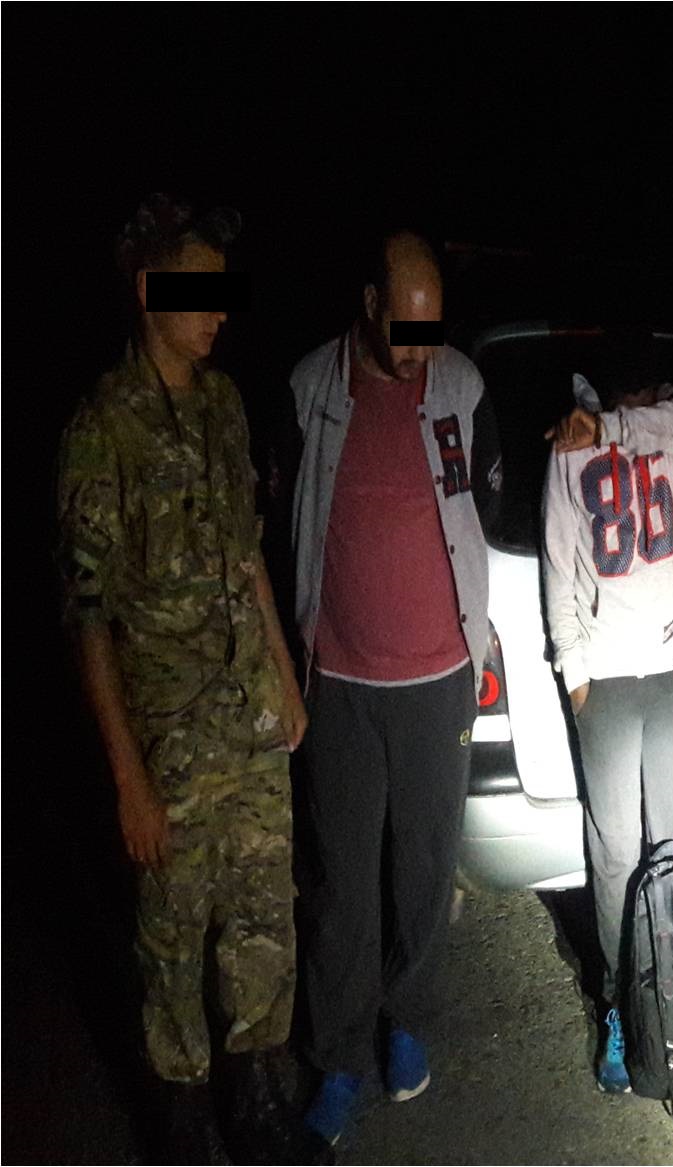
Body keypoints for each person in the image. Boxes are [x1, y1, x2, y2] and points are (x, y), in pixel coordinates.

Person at [57, 194, 307, 1162]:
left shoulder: (223, 405)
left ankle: (261, 1106)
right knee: (172, 939)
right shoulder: (103, 427)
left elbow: (247, 555)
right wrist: (128, 778)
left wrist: (284, 676)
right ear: (145, 290)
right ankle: (188, 1126)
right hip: (169, 737)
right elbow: (88, 615)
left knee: (263, 917)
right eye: (197, 293)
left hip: (249, 716)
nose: (216, 313)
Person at [289, 230, 500, 1148]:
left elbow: (487, 499)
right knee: (342, 885)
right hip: (339, 680)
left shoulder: (462, 386)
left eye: (432, 330)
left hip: (439, 679)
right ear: (371, 303)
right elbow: (281, 519)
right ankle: (336, 1057)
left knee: (423, 868)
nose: (419, 352)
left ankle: (406, 1018)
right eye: (405, 329)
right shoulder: (309, 389)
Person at [542, 342, 673, 1092]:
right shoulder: (566, 448)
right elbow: (558, 566)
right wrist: (576, 678)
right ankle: (618, 1004)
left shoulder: (664, 419)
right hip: (606, 679)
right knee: (613, 853)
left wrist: (611, 425)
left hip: (669, 671)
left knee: (672, 843)